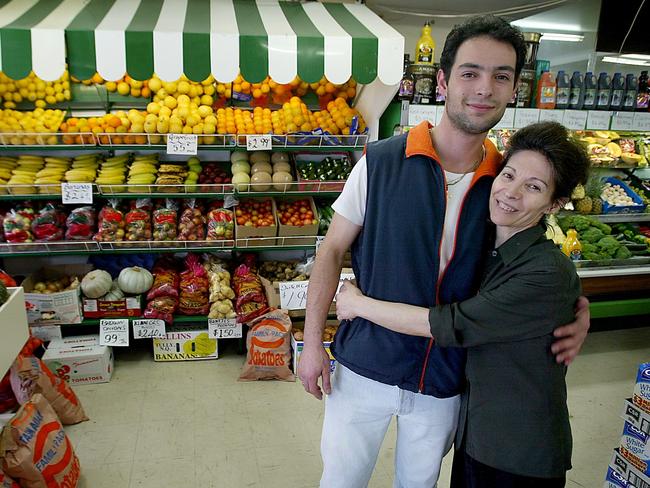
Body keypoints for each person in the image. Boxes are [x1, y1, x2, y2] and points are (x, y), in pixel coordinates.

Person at [298, 15, 590, 488]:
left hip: (445, 382)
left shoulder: (506, 183)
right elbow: (332, 249)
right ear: (442, 80)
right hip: (364, 369)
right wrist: (312, 345)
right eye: (470, 73)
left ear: (514, 88)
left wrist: (577, 309)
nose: (484, 89)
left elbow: (528, 267)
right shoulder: (382, 161)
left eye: (501, 76)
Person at [336, 121, 590, 487]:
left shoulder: (546, 271)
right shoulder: (492, 248)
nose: (511, 193)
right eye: (509, 175)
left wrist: (358, 304)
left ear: (556, 203)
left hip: (518, 449)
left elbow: (452, 323)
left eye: (533, 187)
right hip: (477, 437)